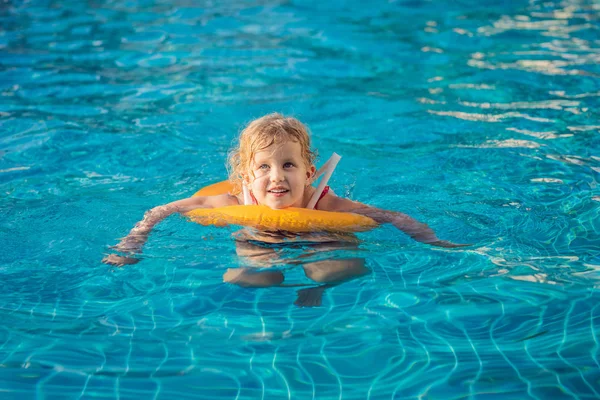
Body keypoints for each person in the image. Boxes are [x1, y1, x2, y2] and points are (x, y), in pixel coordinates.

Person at [103, 113, 468, 290]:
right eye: (264, 167)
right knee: (251, 276)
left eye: (288, 165)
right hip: (259, 236)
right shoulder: (231, 199)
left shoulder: (325, 205)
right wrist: (133, 242)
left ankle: (315, 291)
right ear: (246, 176)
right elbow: (162, 210)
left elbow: (392, 217)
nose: (276, 176)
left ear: (309, 173)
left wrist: (435, 243)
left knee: (332, 270)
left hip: (320, 238)